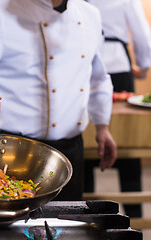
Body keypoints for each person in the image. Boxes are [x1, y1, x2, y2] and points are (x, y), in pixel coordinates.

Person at [0, 0, 117, 201]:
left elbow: (97, 78)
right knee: (13, 232)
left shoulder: (90, 14)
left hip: (70, 154)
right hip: (14, 156)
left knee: (66, 227)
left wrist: (102, 126)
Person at [84, 0, 151, 218]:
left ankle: (87, 217)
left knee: (85, 137)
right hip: (119, 65)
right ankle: (134, 217)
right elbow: (141, 31)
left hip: (86, 64)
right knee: (127, 142)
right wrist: (143, 64)